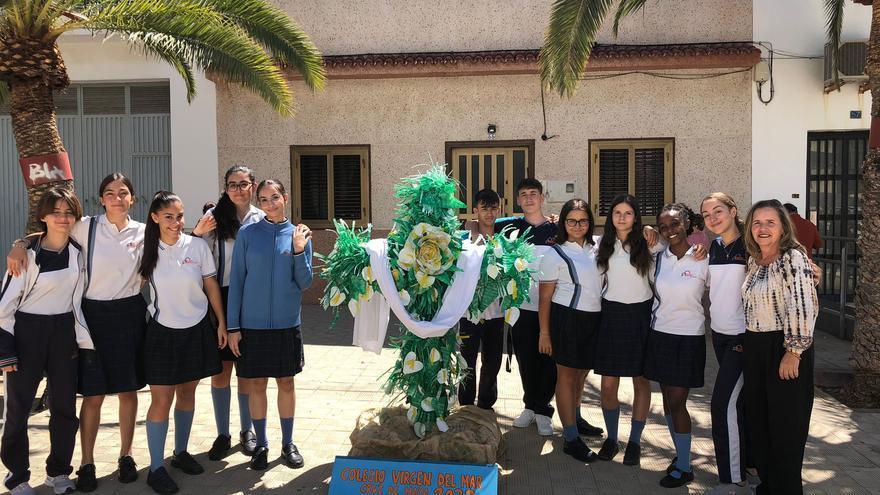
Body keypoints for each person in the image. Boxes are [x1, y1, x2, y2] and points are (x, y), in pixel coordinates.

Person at [6, 173, 148, 491]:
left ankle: (96, 463)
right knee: (75, 398)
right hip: (67, 322)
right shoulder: (85, 228)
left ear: (133, 198)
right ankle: (54, 468)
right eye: (110, 192)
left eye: (124, 192)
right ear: (100, 199)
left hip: (104, 321)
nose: (117, 197)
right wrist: (19, 244)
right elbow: (46, 233)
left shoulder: (138, 232)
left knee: (100, 398)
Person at [0, 187, 94, 495]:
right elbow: (4, 307)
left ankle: (59, 473)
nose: (63, 218)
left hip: (63, 333)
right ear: (43, 217)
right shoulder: (25, 255)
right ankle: (17, 477)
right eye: (56, 212)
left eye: (69, 212)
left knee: (65, 408)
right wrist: (6, 351)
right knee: (18, 409)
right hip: (27, 332)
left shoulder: (78, 253)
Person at [495, 178, 603, 438]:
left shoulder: (557, 230)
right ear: (518, 200)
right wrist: (473, 225)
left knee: (549, 361)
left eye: (534, 193)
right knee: (525, 359)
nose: (529, 198)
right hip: (520, 307)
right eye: (523, 194)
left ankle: (544, 410)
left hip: (552, 307)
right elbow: (478, 223)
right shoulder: (508, 227)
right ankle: (530, 406)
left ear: (542, 198)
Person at [139, 191, 226, 495]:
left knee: (187, 393)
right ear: (154, 218)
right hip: (162, 332)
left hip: (197, 329)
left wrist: (221, 323)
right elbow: (132, 284)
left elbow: (210, 285)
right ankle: (155, 468)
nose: (176, 222)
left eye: (179, 216)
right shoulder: (144, 247)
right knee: (161, 400)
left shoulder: (197, 246)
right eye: (168, 217)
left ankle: (180, 453)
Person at [226, 179, 313, 470]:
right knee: (257, 385)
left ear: (285, 198)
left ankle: (288, 443)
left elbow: (305, 283)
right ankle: (261, 444)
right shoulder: (248, 234)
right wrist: (233, 327)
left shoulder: (299, 235)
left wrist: (299, 250)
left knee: (286, 383)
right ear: (259, 204)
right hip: (252, 327)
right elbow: (237, 281)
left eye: (274, 197)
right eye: (263, 200)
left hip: (287, 324)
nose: (270, 204)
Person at [742, 199, 817, 495]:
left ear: (783, 227)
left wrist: (793, 351)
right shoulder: (754, 259)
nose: (762, 228)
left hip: (784, 347)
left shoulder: (793, 259)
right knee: (760, 424)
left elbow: (803, 306)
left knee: (786, 428)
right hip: (756, 346)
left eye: (770, 222)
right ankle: (769, 486)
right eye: (757, 223)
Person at [192, 165, 265, 460]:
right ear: (225, 188)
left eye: (243, 184)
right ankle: (223, 433)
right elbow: (193, 253)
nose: (237, 189)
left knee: (246, 372)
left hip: (251, 299)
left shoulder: (261, 218)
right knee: (221, 372)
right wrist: (197, 231)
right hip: (219, 298)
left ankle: (247, 431)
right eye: (232, 184)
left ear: (253, 186)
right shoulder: (213, 219)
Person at [593, 194, 662, 465]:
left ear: (636, 218)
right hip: (611, 316)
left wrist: (652, 233)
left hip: (640, 316)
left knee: (641, 381)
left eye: (628, 213)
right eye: (617, 212)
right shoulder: (602, 245)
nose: (622, 217)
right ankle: (612, 439)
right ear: (611, 217)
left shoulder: (649, 244)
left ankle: (634, 442)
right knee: (608, 385)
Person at [644, 203, 709, 488]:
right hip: (659, 335)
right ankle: (679, 455)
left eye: (675, 224)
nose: (669, 231)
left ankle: (685, 466)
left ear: (688, 225)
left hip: (689, 338)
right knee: (668, 402)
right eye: (663, 226)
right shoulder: (657, 258)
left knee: (678, 402)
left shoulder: (704, 259)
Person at [537, 198, 602, 463]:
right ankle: (570, 438)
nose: (577, 225)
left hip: (594, 319)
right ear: (563, 223)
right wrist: (544, 333)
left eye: (583, 220)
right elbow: (544, 298)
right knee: (566, 376)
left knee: (580, 376)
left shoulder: (598, 247)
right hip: (567, 319)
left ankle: (575, 418)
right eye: (572, 220)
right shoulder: (555, 253)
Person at [700, 192, 753, 495]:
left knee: (723, 405)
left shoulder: (750, 246)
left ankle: (733, 481)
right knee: (740, 405)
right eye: (707, 215)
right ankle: (749, 466)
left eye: (718, 211)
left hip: (743, 339)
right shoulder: (714, 248)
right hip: (719, 337)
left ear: (733, 211)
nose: (712, 219)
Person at [458, 189, 505, 410]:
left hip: (497, 313)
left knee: (492, 361)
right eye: (484, 208)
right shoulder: (464, 240)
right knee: (467, 361)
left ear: (499, 209)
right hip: (469, 313)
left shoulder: (505, 240)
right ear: (475, 210)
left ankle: (486, 404)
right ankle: (466, 404)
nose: (489, 213)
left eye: (494, 208)